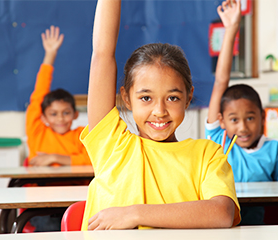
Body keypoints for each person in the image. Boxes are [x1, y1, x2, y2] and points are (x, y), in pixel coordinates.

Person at [80, 0, 241, 230]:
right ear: (126, 98)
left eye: (173, 98)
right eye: (146, 98)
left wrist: (135, 214)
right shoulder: (112, 145)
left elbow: (222, 213)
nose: (160, 111)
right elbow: (102, 54)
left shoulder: (207, 155)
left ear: (188, 97)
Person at [205, 1, 278, 225]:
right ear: (221, 121)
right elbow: (220, 82)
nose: (243, 127)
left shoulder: (274, 149)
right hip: (225, 230)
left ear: (262, 117)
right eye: (234, 120)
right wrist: (231, 29)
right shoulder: (218, 141)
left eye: (250, 118)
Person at [26, 25, 91, 167]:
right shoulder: (37, 131)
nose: (60, 118)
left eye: (66, 113)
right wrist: (50, 54)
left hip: (75, 188)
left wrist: (54, 158)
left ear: (75, 115)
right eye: (53, 114)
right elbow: (39, 94)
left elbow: (93, 161)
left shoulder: (82, 136)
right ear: (43, 117)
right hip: (41, 189)